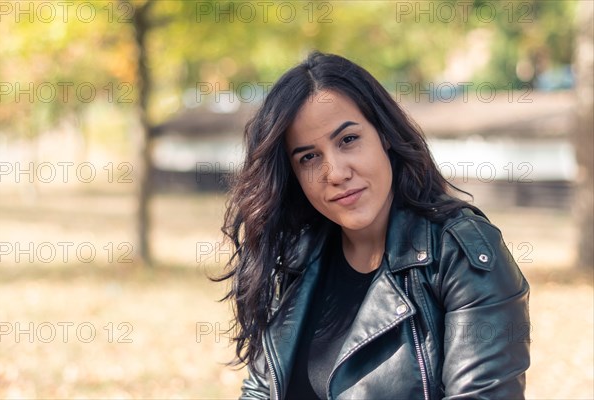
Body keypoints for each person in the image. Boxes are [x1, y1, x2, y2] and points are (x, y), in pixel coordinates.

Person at [216, 51, 530, 400]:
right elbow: (261, 389)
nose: (335, 173)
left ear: (384, 134)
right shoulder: (295, 257)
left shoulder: (461, 254)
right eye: (309, 157)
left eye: (348, 140)